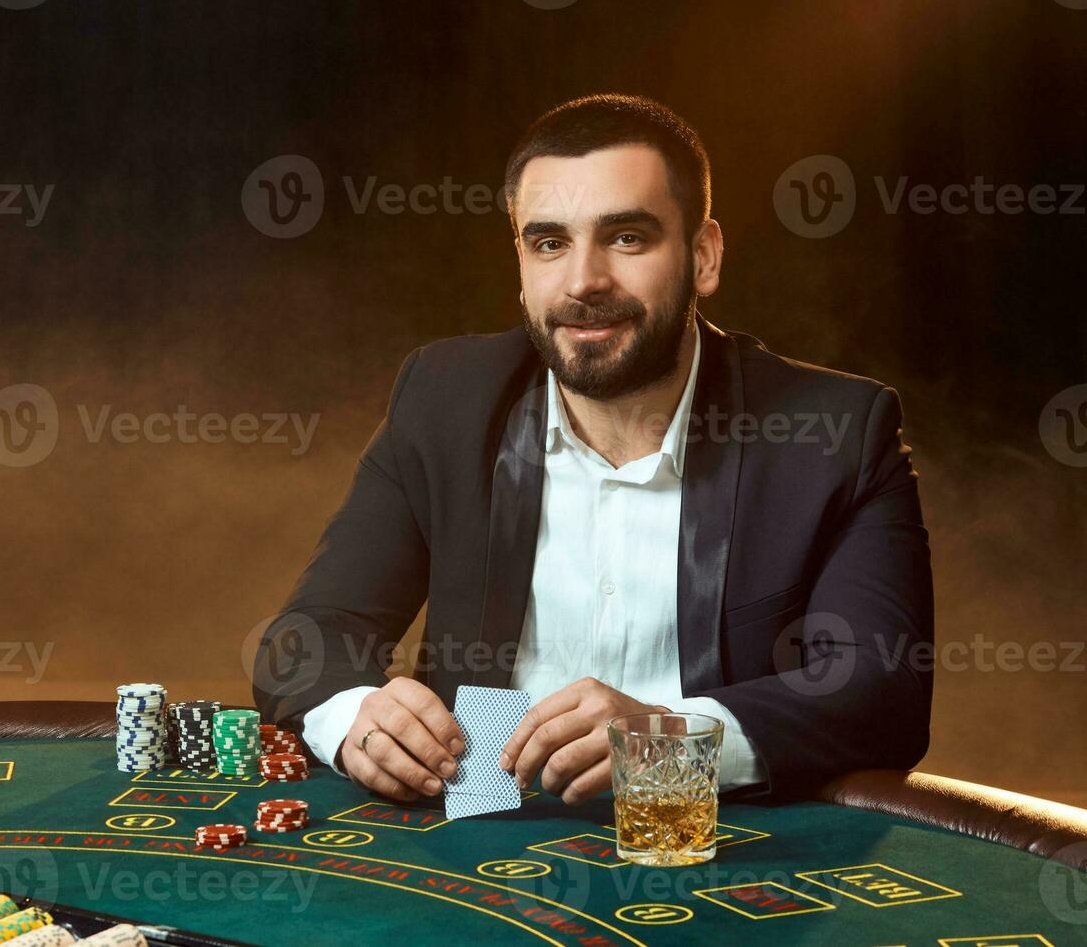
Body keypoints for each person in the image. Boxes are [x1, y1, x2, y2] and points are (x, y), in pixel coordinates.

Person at [252, 94, 933, 803]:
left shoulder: (835, 432)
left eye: (628, 238)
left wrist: (669, 741)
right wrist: (356, 716)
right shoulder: (444, 398)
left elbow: (882, 690)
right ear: (520, 259)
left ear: (703, 257)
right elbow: (306, 640)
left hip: (716, 850)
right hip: (480, 845)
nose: (583, 281)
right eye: (549, 243)